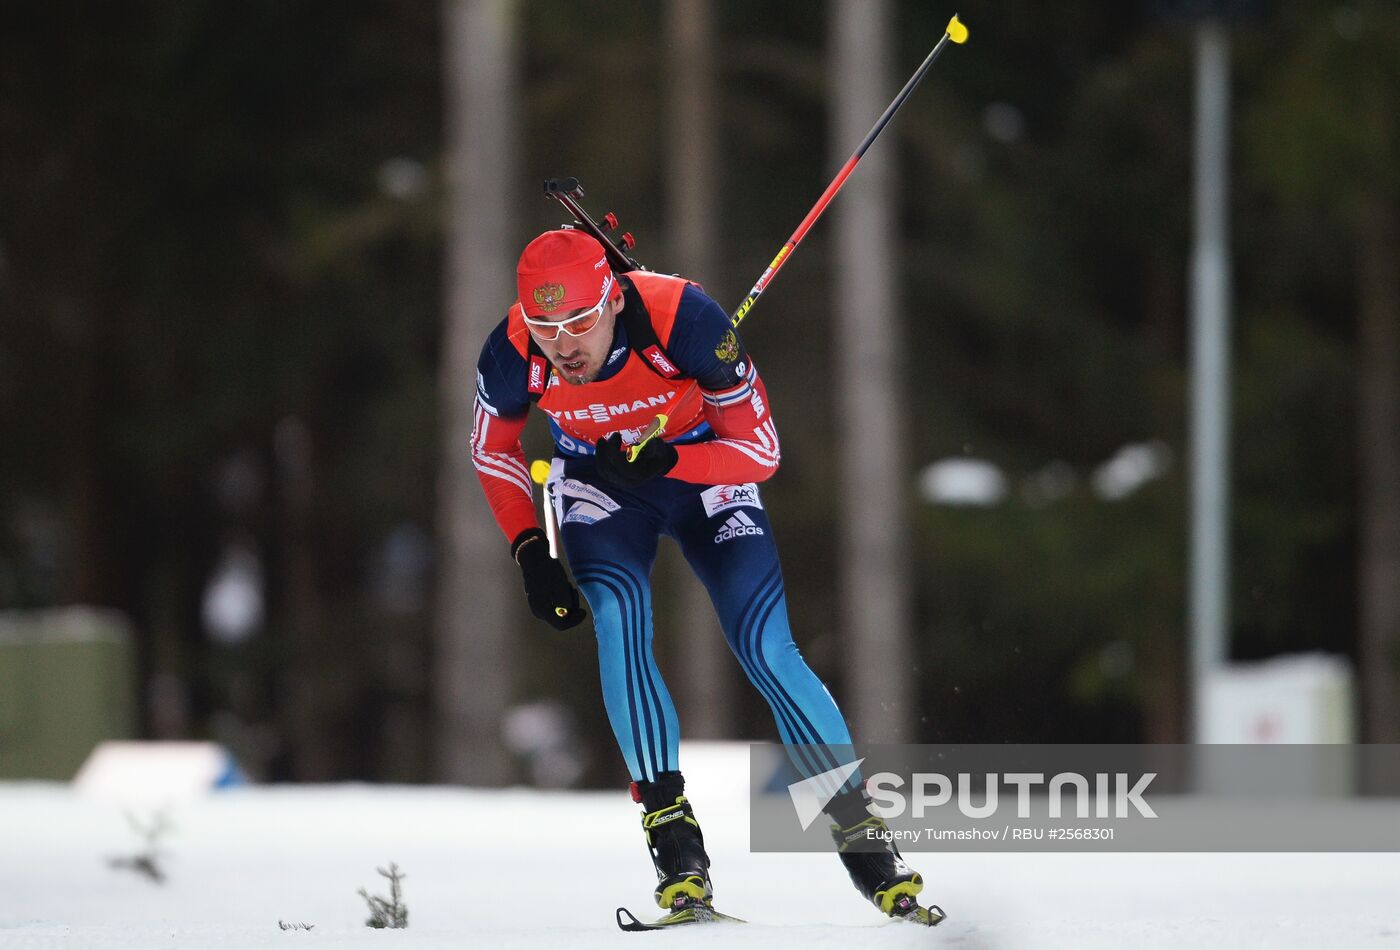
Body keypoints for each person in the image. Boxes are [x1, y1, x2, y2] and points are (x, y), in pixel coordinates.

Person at [471, 228, 934, 923]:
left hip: (705, 474)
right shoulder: (510, 352)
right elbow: (493, 450)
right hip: (602, 491)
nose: (564, 346)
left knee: (766, 648)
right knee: (619, 620)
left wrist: (672, 463)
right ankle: (676, 847)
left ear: (612, 299)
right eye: (545, 326)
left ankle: (864, 838)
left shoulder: (685, 320)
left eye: (579, 322)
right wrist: (530, 550)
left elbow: (762, 451)